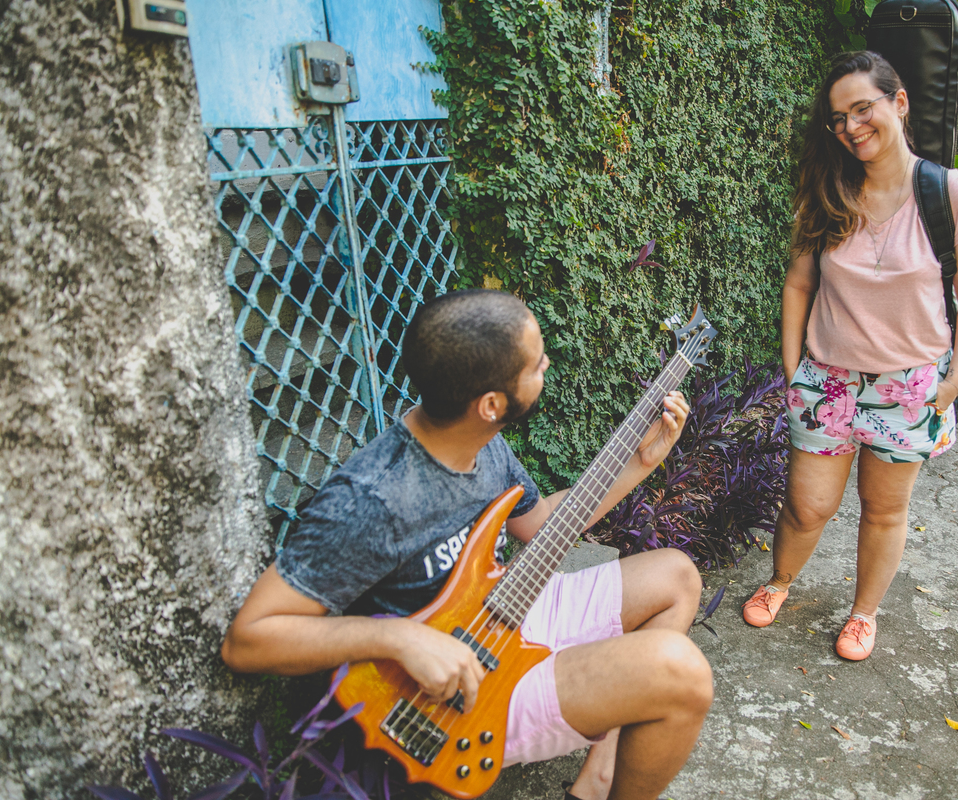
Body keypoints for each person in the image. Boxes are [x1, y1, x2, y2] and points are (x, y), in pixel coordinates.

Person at [221, 289, 713, 800]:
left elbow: (544, 528)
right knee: (681, 674)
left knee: (676, 576)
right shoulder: (372, 499)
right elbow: (249, 639)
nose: (546, 363)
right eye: (536, 363)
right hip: (459, 695)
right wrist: (401, 639)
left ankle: (599, 779)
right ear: (491, 404)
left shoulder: (482, 442)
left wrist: (642, 462)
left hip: (509, 608)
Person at [741, 51, 958, 660]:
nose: (852, 127)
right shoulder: (828, 193)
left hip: (909, 387)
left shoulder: (948, 194)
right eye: (839, 118)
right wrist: (793, 366)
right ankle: (780, 581)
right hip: (827, 381)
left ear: (898, 102)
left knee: (883, 511)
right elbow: (799, 284)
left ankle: (863, 614)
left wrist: (954, 380)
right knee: (807, 507)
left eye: (863, 109)